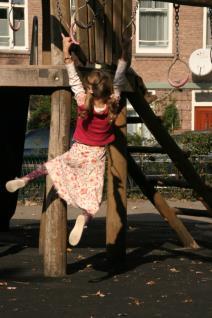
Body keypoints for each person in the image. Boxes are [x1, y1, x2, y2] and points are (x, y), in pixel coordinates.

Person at [5, 34, 131, 246]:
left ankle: (25, 179)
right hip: (96, 156)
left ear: (90, 89)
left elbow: (72, 77)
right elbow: (120, 74)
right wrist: (125, 50)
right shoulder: (113, 103)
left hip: (77, 151)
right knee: (92, 201)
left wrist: (66, 51)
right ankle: (83, 218)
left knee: (51, 166)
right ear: (109, 91)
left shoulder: (83, 101)